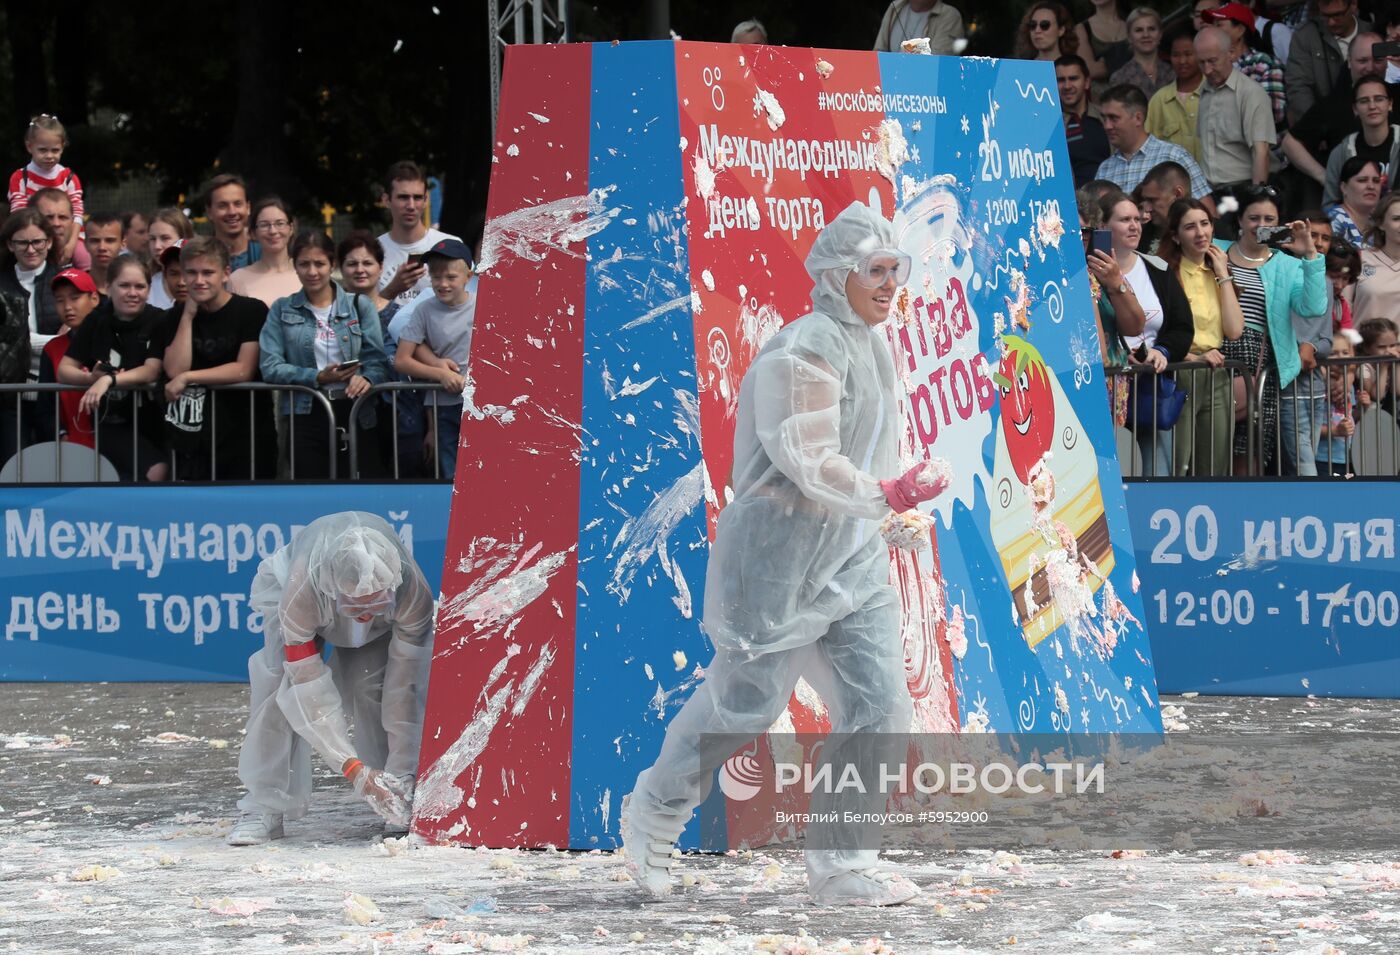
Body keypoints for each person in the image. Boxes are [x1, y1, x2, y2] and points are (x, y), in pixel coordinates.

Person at [621, 201, 947, 907]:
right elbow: (807, 458)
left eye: (898, 269)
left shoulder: (871, 343)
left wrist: (886, 509)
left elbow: (865, 451)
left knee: (880, 705)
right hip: (776, 563)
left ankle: (843, 862)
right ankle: (653, 811)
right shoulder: (805, 346)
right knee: (744, 707)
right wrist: (884, 491)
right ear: (837, 275)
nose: (891, 283)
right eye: (876, 270)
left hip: (851, 560)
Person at [228, 511, 435, 845]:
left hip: (373, 604)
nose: (366, 616)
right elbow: (305, 689)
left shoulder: (412, 593)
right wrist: (353, 769)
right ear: (334, 590)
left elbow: (407, 687)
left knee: (375, 685)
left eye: (375, 604)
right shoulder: (300, 596)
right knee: (276, 689)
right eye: (357, 606)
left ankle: (396, 791)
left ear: (393, 584)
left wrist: (401, 772)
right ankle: (263, 805)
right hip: (304, 597)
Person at [259, 230, 390, 480]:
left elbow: (378, 361)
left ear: (332, 264)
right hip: (305, 411)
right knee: (311, 488)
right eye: (304, 264)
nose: (312, 272)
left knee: (358, 486)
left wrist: (367, 378)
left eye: (319, 263)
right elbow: (270, 365)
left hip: (356, 409)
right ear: (294, 266)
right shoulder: (282, 308)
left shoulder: (359, 305)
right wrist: (318, 376)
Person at [1218, 188, 1326, 474]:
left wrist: (1310, 254)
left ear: (1281, 223)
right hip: (1213, 357)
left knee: (1248, 456)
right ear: (1239, 219)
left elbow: (1313, 308)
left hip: (1259, 367)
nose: (1261, 226)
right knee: (1208, 452)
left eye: (1270, 218)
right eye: (1253, 217)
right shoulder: (1215, 249)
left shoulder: (1288, 264)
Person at [158, 237, 276, 480]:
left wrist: (189, 377)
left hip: (245, 437)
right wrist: (188, 317)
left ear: (225, 274)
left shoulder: (251, 310)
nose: (198, 281)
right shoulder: (177, 315)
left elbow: (244, 369)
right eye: (191, 273)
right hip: (195, 440)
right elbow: (174, 369)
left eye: (207, 272)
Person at [1098, 190, 1194, 475]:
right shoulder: (1088, 272)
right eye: (1124, 219)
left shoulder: (1158, 268)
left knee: (1158, 473)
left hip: (1148, 387)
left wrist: (1162, 352)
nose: (1134, 226)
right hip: (1108, 386)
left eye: (1137, 219)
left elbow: (1182, 327)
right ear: (1102, 227)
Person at [56, 255, 169, 481]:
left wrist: (108, 381)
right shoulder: (96, 320)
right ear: (108, 287)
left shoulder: (160, 319)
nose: (133, 292)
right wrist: (92, 379)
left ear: (149, 289)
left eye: (140, 286)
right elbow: (64, 369)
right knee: (156, 470)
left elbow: (151, 370)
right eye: (124, 285)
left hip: (156, 418)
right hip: (112, 422)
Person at [1157, 197, 1245, 475]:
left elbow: (1234, 330)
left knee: (1214, 464)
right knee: (1178, 462)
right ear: (1175, 235)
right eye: (1190, 227)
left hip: (1215, 370)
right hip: (1180, 369)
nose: (1201, 233)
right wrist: (1191, 356)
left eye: (1205, 224)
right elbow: (1157, 329)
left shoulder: (1217, 270)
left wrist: (1222, 273)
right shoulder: (1164, 271)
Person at [339, 231, 428, 479]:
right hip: (354, 419)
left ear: (380, 267)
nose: (360, 269)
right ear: (341, 269)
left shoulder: (403, 315)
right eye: (352, 263)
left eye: (367, 263)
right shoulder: (333, 316)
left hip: (403, 419)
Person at [393, 238, 476, 479]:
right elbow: (402, 360)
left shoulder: (483, 306)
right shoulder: (424, 310)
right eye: (436, 277)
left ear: (468, 277)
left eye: (451, 277)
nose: (443, 284)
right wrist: (441, 374)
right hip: (441, 408)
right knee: (449, 476)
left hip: (479, 407)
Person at [1280, 34, 1385, 207]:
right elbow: (1290, 143)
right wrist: (1324, 176)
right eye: (1363, 60)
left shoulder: (1396, 95)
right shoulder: (1334, 104)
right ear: (1349, 61)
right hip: (1348, 207)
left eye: (1378, 60)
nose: (1370, 67)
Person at [0, 208, 61, 459]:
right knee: (13, 464)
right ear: (10, 245)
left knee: (56, 464)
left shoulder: (64, 281)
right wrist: (56, 341)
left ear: (48, 242)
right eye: (22, 242)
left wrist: (25, 340)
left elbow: (76, 341)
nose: (31, 249)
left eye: (37, 241)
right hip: (10, 393)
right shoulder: (1, 283)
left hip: (55, 390)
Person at [1194, 27, 1278, 192]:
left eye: (1212, 61)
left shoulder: (1250, 93)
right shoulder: (1202, 91)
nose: (1207, 70)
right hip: (1212, 191)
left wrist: (1256, 199)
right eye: (1201, 62)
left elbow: (1261, 153)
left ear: (1231, 53)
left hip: (1244, 189)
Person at [1096, 84, 1213, 197]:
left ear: (1138, 118)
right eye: (1104, 118)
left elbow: (1205, 210)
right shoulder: (1105, 168)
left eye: (1114, 118)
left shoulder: (1174, 156)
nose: (1107, 126)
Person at [377, 161, 459, 308]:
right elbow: (361, 315)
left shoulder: (451, 245)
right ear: (386, 200)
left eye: (417, 197)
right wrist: (392, 289)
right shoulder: (373, 251)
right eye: (403, 197)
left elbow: (469, 305)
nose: (411, 206)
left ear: (426, 200)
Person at [34, 268, 98, 452]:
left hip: (114, 443)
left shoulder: (112, 339)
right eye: (60, 300)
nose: (67, 306)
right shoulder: (52, 348)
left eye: (75, 297)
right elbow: (44, 408)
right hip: (71, 446)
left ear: (94, 299)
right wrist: (60, 435)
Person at [1285, 0, 1372, 126]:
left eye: (1338, 15)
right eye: (1325, 16)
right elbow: (1298, 87)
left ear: (1353, 5)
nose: (1331, 22)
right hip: (1324, 123)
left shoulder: (1372, 33)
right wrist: (1318, 126)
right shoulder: (1305, 36)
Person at [1202, 2, 1288, 128]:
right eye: (1213, 25)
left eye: (1219, 25)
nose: (1213, 30)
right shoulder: (1210, 67)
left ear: (1240, 30)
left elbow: (1275, 113)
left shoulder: (1264, 63)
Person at [1320, 75, 1400, 206]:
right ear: (1355, 109)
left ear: (1390, 104)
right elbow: (1330, 204)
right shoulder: (1340, 153)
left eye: (1379, 99)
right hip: (1355, 224)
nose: (1372, 106)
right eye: (1364, 101)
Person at [8, 115, 84, 225]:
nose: (49, 155)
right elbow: (19, 216)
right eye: (43, 150)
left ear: (62, 148)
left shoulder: (69, 178)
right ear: (29, 146)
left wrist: (72, 242)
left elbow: (77, 215)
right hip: (34, 237)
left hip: (68, 237)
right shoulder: (20, 178)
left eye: (55, 150)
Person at [1146, 27, 1206, 162]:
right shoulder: (1159, 100)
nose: (1182, 61)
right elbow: (1149, 147)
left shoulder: (1214, 92)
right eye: (1176, 55)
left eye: (1188, 54)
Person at [230, 197, 300, 306]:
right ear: (253, 233)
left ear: (291, 228)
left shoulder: (308, 273)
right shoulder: (238, 279)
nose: (273, 231)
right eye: (264, 225)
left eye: (280, 223)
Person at [1058, 55, 1111, 187]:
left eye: (1073, 78)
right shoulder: (1047, 125)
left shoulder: (1107, 117)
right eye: (1060, 80)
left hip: (1109, 198)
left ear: (1087, 82)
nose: (1067, 86)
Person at [1352, 190, 1400, 322]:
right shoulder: (1360, 258)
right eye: (1397, 219)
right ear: (1381, 223)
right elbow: (1343, 310)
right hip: (1362, 341)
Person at [1109, 7, 1175, 98]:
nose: (1146, 35)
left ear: (1160, 34)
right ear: (1129, 36)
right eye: (1139, 30)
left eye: (1151, 29)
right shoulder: (1119, 78)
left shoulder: (1174, 72)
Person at [1317, 330, 1357, 477]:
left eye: (1345, 352)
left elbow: (1351, 414)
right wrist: (1335, 431)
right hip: (1323, 457)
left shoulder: (1349, 384)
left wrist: (1364, 408)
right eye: (1333, 353)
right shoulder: (1318, 383)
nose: (1340, 358)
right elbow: (1309, 426)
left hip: (1346, 456)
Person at [202, 174, 261, 271]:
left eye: (238, 204)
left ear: (248, 207)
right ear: (209, 212)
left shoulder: (266, 255)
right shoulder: (199, 260)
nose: (232, 212)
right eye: (222, 206)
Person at [1136, 161, 1197, 253]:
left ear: (1177, 194)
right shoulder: (1141, 236)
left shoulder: (1218, 235)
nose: (1147, 209)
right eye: (1146, 200)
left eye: (1153, 200)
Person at [1325, 155, 1383, 249]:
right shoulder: (1335, 220)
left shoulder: (1378, 222)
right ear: (1344, 187)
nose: (1371, 186)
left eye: (1376, 181)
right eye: (1362, 180)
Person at [146, 208, 194, 310]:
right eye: (152, 239)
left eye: (165, 238)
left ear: (184, 237)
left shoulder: (202, 282)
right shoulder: (145, 284)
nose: (157, 246)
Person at [874, 0, 964, 54]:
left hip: (926, 83)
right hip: (889, 80)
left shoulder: (949, 15)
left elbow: (938, 62)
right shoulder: (895, 7)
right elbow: (878, 51)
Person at [32, 187, 89, 270]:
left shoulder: (85, 256)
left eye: (62, 217)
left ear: (73, 221)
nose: (56, 223)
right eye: (49, 217)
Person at [1076, 0, 1131, 82]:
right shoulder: (1081, 29)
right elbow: (1090, 70)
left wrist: (1105, 62)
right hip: (1101, 93)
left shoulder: (1133, 24)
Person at [83, 212, 124, 288]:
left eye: (110, 241)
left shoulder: (133, 288)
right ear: (85, 244)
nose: (102, 247)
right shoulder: (75, 289)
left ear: (123, 243)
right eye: (95, 241)